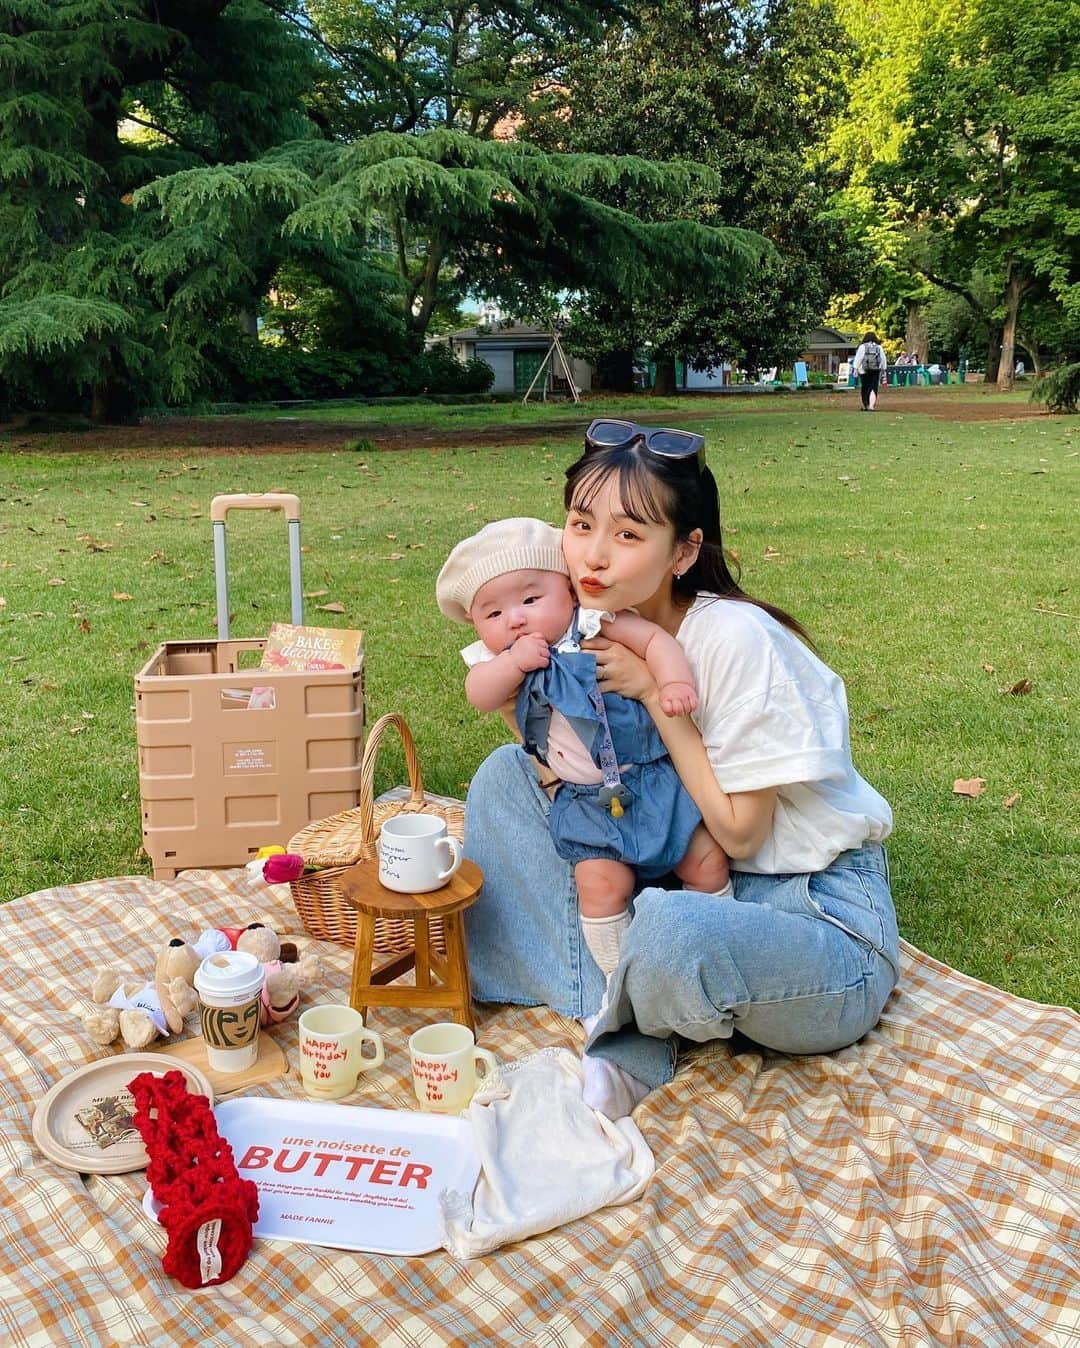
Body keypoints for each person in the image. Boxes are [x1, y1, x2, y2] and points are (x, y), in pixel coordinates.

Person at [462, 419, 899, 1120]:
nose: (592, 558)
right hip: (669, 862)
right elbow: (544, 756)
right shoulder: (585, 622)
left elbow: (743, 838)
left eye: (629, 535)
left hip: (808, 912)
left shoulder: (734, 638)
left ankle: (630, 1023)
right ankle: (621, 999)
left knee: (673, 929)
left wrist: (652, 697)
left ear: (685, 550)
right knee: (500, 779)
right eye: (580, 525)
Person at [437, 517, 731, 992]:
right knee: (600, 884)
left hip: (650, 779)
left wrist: (673, 682)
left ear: (570, 591)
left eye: (531, 600)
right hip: (586, 800)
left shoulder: (595, 624)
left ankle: (720, 950)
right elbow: (479, 694)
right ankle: (622, 984)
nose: (515, 618)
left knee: (704, 859)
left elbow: (656, 642)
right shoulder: (499, 663)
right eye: (493, 614)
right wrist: (512, 663)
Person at [852, 331, 887, 410]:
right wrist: (884, 369)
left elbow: (858, 358)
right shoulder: (879, 347)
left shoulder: (862, 347)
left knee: (865, 387)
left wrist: (855, 369)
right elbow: (883, 359)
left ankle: (866, 405)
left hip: (864, 371)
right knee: (873, 387)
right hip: (875, 370)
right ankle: (872, 406)